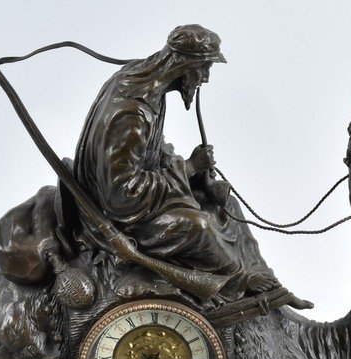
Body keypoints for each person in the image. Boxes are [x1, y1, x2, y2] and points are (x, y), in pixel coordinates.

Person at [74, 24, 282, 300]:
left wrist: (196, 177)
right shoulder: (132, 113)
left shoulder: (147, 89)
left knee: (224, 203)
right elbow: (122, 196)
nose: (205, 78)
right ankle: (236, 281)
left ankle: (251, 271)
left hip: (134, 202)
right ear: (184, 64)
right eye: (204, 68)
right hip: (114, 217)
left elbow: (151, 152)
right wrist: (189, 168)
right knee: (198, 225)